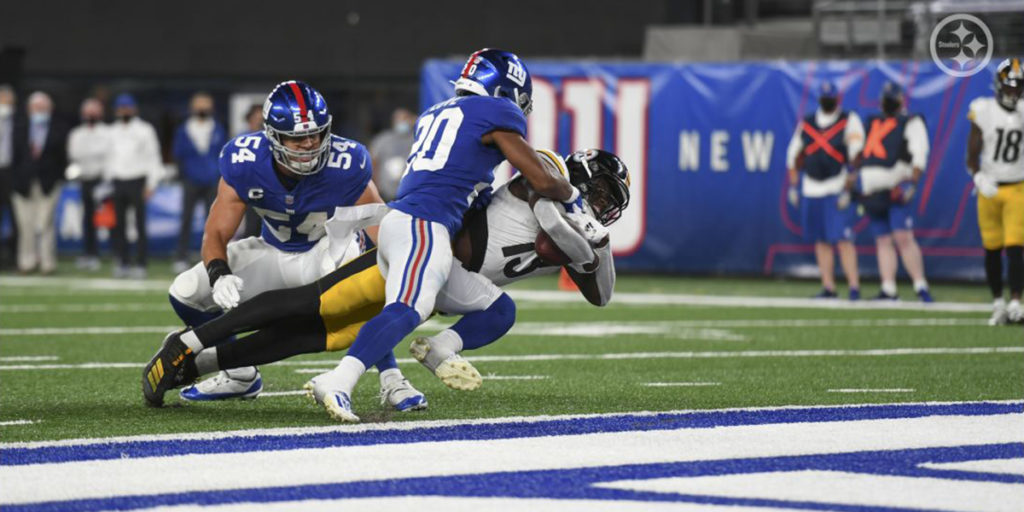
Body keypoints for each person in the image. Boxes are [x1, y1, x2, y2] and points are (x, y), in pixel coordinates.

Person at [141, 149, 628, 411]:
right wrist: (579, 223)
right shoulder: (550, 175)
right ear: (582, 173)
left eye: (610, 203)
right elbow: (549, 206)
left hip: (447, 285)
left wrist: (596, 245)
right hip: (419, 253)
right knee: (306, 305)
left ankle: (202, 365)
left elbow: (601, 294)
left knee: (312, 337)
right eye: (600, 192)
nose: (601, 207)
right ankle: (189, 341)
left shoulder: (580, 232)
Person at [309, 48, 579, 423]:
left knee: (499, 309)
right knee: (406, 310)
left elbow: (463, 186)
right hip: (424, 224)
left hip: (407, 223)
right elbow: (541, 179)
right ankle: (339, 380)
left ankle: (434, 352)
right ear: (506, 90)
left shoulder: (437, 113)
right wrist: (574, 197)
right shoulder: (498, 111)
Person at [144, 80, 422, 411]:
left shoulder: (347, 163)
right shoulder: (244, 160)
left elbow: (379, 228)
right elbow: (215, 234)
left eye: (316, 134)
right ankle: (239, 374)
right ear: (272, 136)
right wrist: (219, 274)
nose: (309, 144)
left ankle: (391, 376)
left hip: (327, 250)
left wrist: (407, 265)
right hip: (273, 250)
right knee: (186, 290)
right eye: (297, 137)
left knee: (356, 285)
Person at [850, 81, 933, 302]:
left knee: (903, 237)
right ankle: (888, 287)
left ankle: (920, 285)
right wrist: (854, 177)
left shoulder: (911, 122)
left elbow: (919, 153)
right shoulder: (872, 121)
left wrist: (912, 184)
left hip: (895, 186)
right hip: (871, 189)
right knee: (883, 239)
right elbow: (861, 154)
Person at [786, 81, 864, 300]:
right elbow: (793, 156)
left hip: (836, 186)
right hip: (812, 187)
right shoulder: (808, 123)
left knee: (843, 239)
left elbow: (856, 157)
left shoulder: (849, 120)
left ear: (837, 99)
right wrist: (794, 186)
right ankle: (828, 286)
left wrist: (848, 188)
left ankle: (854, 286)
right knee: (821, 240)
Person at [966, 58, 1024, 325]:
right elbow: (972, 154)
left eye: (1018, 87)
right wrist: (978, 177)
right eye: (1010, 87)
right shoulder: (983, 110)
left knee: (1015, 247)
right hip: (989, 187)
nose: (1014, 93)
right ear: (999, 86)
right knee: (991, 247)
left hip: (1017, 188)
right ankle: (998, 302)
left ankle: (1015, 302)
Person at [10, 91, 68, 275]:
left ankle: (47, 264)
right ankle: (26, 263)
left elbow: (62, 158)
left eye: (43, 107)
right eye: (37, 107)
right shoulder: (18, 128)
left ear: (50, 109)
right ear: (29, 109)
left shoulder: (59, 128)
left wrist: (58, 178)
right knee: (25, 225)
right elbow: (13, 157)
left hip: (48, 183)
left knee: (45, 224)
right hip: (22, 183)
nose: (40, 111)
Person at [107, 93, 162, 279]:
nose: (124, 111)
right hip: (118, 181)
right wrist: (108, 181)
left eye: (127, 107)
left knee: (139, 224)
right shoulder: (112, 131)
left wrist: (151, 183)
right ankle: (122, 261)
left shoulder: (144, 130)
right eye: (121, 108)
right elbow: (109, 158)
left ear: (134, 109)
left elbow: (153, 157)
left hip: (138, 180)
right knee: (119, 225)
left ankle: (141, 263)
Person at [172, 92, 228, 272]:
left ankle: (213, 256)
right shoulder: (184, 129)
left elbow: (224, 154)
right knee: (186, 219)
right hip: (191, 180)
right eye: (199, 104)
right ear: (192, 107)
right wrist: (184, 174)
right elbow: (178, 154)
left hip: (213, 180)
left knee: (213, 221)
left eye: (205, 104)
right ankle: (181, 256)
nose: (202, 108)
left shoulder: (218, 128)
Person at [67, 98, 111, 271]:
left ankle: (117, 254)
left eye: (94, 112)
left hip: (104, 178)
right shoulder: (77, 133)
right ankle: (90, 254)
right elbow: (74, 154)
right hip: (85, 179)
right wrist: (93, 155)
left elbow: (108, 154)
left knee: (111, 219)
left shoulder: (107, 132)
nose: (91, 115)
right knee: (88, 219)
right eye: (88, 112)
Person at [368, 107, 416, 201]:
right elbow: (373, 161)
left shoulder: (417, 139)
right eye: (399, 119)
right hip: (385, 192)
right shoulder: (383, 139)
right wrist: (375, 188)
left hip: (409, 193)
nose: (402, 122)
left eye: (405, 119)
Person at [0, 85, 16, 269]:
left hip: (11, 172)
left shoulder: (18, 120)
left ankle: (13, 256)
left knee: (15, 218)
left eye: (7, 99)